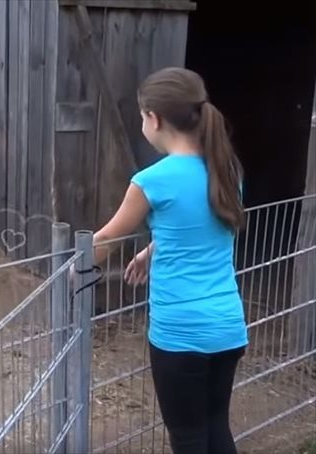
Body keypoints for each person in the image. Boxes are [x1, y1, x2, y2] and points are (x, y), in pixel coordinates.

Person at [84, 67, 248, 454]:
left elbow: (106, 237)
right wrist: (151, 250)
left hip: (181, 335)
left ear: (154, 119)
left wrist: (67, 268)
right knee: (215, 428)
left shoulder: (152, 180)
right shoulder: (227, 170)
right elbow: (196, 225)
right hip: (227, 327)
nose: (142, 123)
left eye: (142, 116)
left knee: (188, 438)